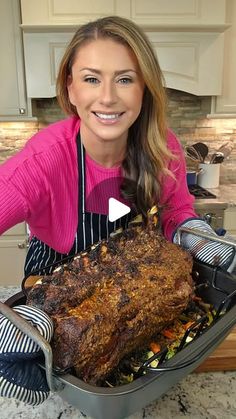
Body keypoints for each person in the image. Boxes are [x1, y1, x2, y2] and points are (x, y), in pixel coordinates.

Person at [0, 15, 235, 405]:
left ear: (145, 89)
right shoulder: (42, 161)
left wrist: (200, 238)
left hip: (139, 283)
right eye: (91, 78)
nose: (107, 97)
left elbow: (176, 211)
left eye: (125, 79)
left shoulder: (163, 146)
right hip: (52, 289)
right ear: (70, 89)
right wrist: (11, 323)